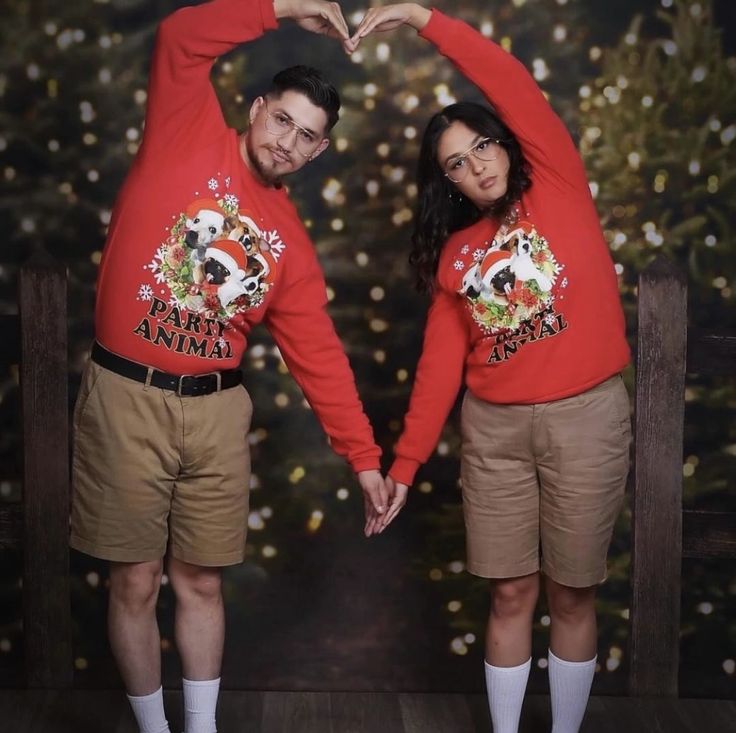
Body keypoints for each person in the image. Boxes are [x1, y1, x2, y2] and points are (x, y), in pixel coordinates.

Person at [70, 2, 388, 732]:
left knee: (202, 580)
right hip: (128, 394)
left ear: (318, 153)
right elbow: (181, 37)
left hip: (215, 412)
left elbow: (320, 358)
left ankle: (201, 727)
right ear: (255, 109)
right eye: (283, 120)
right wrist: (281, 8)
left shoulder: (289, 242)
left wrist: (364, 459)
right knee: (135, 579)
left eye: (308, 136)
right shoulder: (185, 133)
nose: (289, 141)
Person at [350, 5, 631, 733]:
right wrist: (404, 466)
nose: (478, 166)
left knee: (572, 592)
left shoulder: (558, 185)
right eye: (457, 163)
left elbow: (506, 78)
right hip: (495, 433)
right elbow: (439, 368)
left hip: (584, 418)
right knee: (510, 592)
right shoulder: (454, 255)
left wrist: (421, 17)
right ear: (447, 181)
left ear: (506, 143)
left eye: (483, 147)